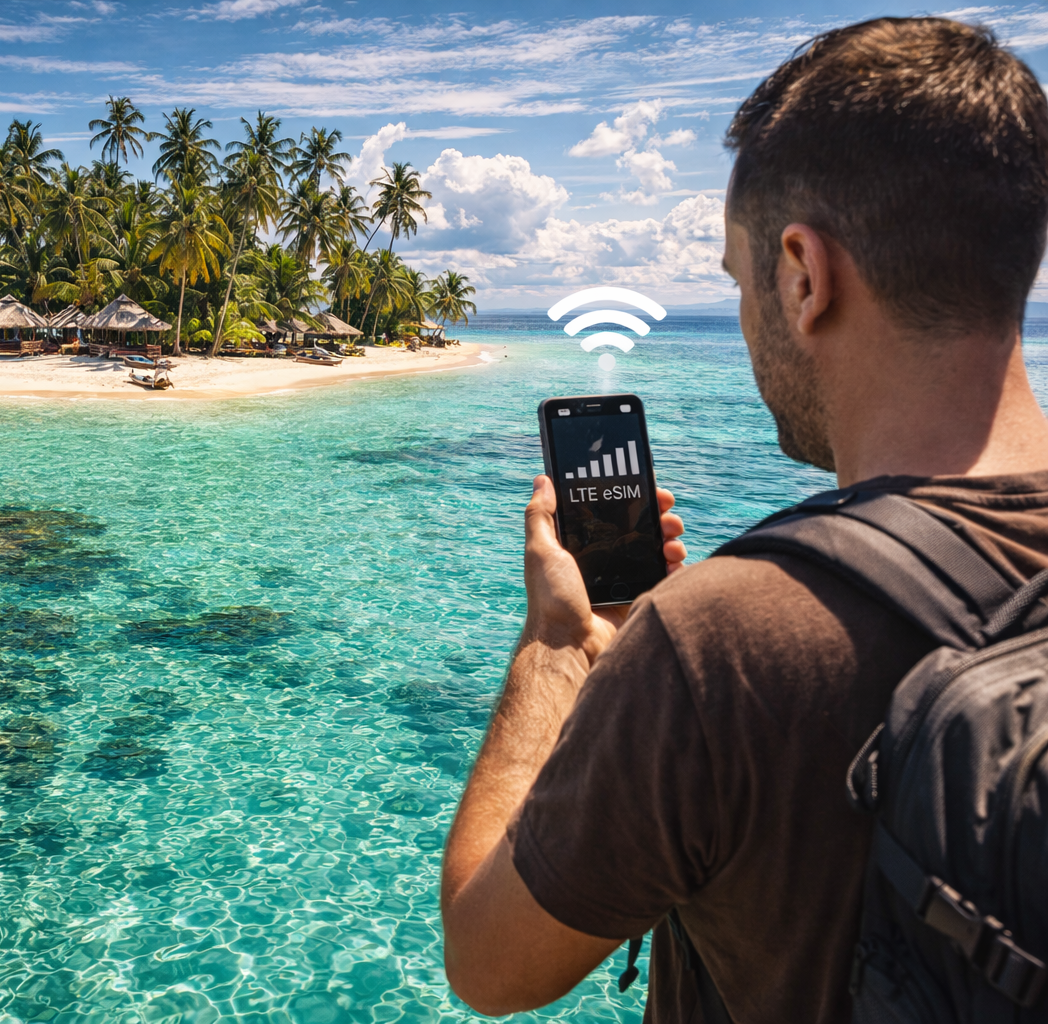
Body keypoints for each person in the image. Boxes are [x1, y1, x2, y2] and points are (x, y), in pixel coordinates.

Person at [439, 17, 1048, 1023]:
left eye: (737, 278)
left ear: (804, 274)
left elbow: (485, 959)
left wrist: (559, 646)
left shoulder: (720, 644)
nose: (747, 316)